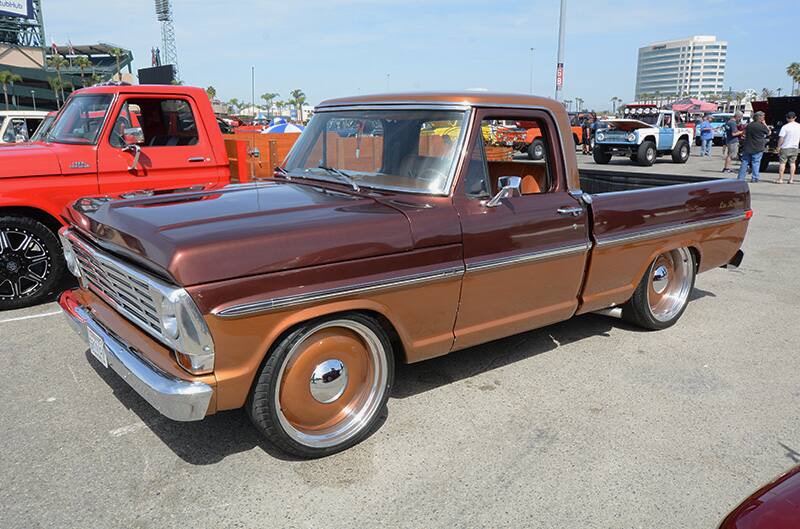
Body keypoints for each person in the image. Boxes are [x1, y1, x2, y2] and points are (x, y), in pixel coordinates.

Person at [737, 111, 771, 182]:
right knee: (756, 162)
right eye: (763, 117)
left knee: (745, 162)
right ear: (760, 117)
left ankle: (740, 177)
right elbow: (769, 132)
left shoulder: (749, 125)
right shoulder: (761, 126)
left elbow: (743, 134)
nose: (764, 118)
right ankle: (755, 178)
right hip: (758, 147)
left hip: (747, 146)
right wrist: (765, 124)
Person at [776, 111, 800, 184]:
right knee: (792, 163)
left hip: (785, 147)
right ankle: (791, 179)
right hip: (795, 147)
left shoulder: (785, 127)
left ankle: (780, 179)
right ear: (795, 117)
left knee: (782, 163)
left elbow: (781, 138)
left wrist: (778, 146)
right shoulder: (799, 126)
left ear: (787, 118)